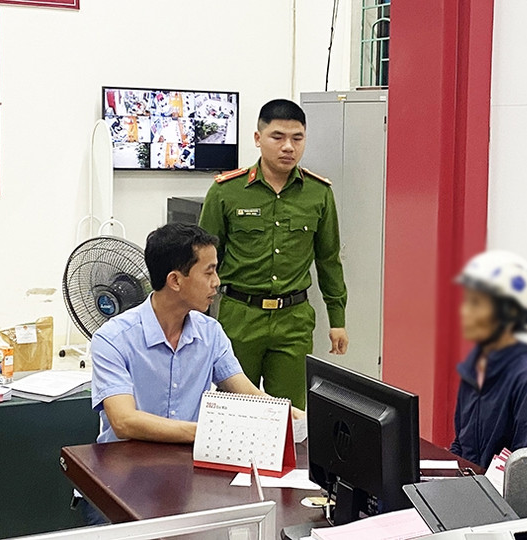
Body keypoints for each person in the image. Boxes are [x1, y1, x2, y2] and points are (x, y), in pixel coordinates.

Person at [199, 99, 348, 409]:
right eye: (277, 137)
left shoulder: (319, 193)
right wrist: (196, 319)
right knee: (235, 411)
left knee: (291, 413)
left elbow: (328, 259)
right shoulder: (226, 191)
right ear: (258, 138)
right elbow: (203, 261)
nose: (288, 147)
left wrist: (337, 320)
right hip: (240, 316)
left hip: (293, 320)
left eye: (297, 138)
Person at [90, 223, 288, 445]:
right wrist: (209, 432)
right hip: (127, 462)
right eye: (209, 272)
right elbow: (124, 421)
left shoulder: (211, 333)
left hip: (187, 458)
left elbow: (248, 394)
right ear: (175, 281)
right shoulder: (112, 339)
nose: (217, 282)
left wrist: (292, 417)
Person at [450, 250, 527, 469]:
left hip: (504, 488)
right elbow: (460, 446)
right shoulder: (473, 367)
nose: (466, 312)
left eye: (478, 304)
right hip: (473, 484)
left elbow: (525, 468)